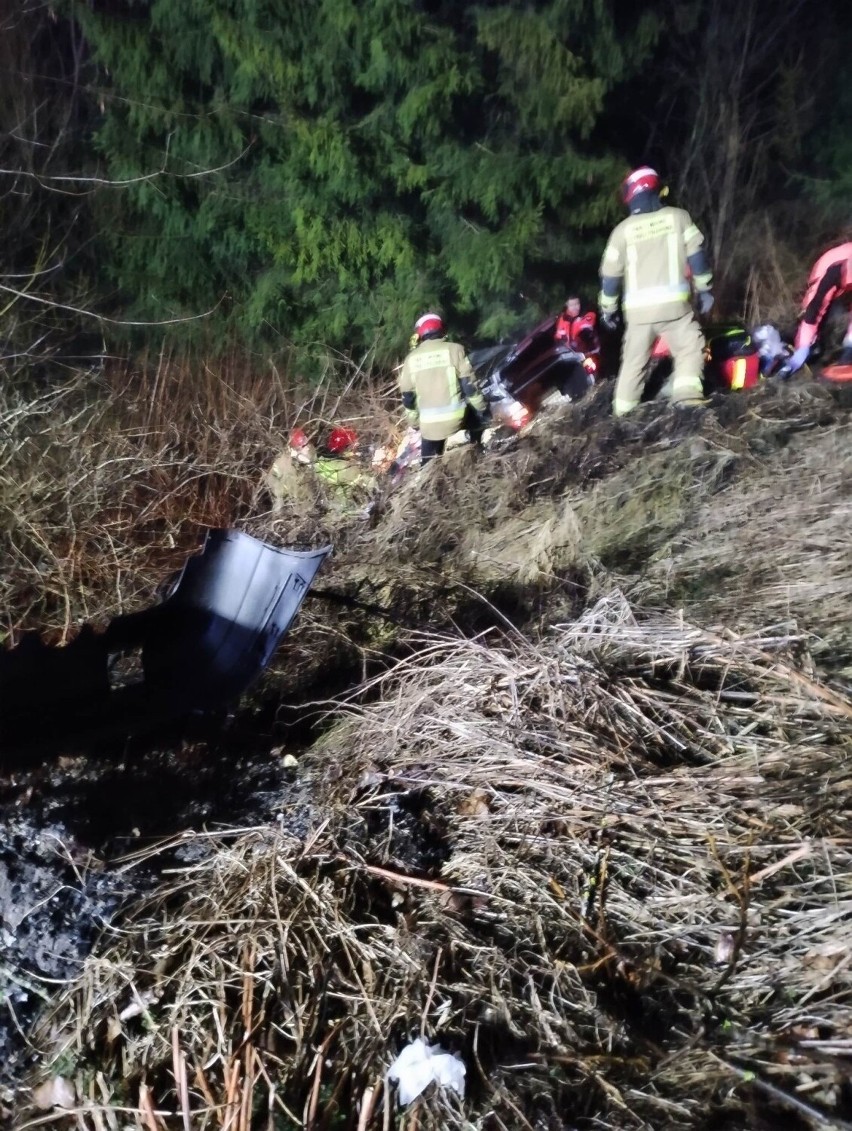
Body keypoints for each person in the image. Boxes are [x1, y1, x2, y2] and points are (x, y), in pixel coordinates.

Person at [598, 166, 714, 416]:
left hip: (639, 317)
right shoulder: (679, 217)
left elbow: (610, 278)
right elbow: (697, 257)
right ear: (658, 190)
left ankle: (622, 415)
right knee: (689, 350)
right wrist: (705, 290)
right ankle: (687, 400)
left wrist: (608, 310)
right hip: (676, 312)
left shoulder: (622, 232)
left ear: (630, 197)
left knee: (633, 365)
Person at [398, 312, 488, 465]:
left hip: (429, 427)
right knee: (479, 421)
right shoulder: (455, 349)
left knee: (428, 460)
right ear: (442, 330)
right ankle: (477, 454)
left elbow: (408, 398)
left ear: (420, 335)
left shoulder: (410, 360)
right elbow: (469, 387)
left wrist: (414, 424)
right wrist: (483, 409)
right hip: (457, 419)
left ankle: (427, 471)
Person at [779, 241, 852, 377]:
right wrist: (803, 347)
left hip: (844, 273)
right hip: (825, 269)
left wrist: (850, 342)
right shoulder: (832, 274)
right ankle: (793, 345)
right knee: (822, 315)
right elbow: (813, 314)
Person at [264, 427, 317, 512]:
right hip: (290, 504)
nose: (307, 448)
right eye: (303, 446)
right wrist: (281, 494)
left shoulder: (310, 455)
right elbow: (271, 479)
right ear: (296, 448)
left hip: (307, 502)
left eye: (307, 444)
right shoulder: (283, 461)